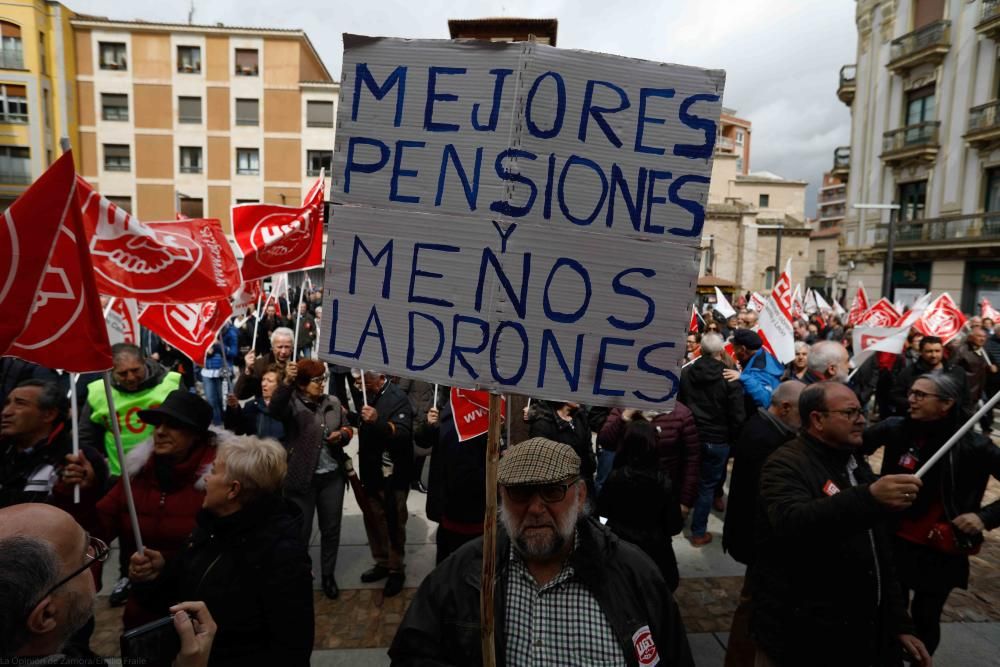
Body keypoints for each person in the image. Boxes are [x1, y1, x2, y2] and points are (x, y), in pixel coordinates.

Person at [389, 437, 694, 666]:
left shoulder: (633, 574)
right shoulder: (463, 574)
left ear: (580, 495)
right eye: (520, 493)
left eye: (552, 491)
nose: (535, 508)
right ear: (501, 498)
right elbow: (412, 654)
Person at [751, 382, 931, 666]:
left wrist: (899, 624)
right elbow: (793, 522)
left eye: (861, 411)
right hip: (805, 636)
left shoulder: (852, 460)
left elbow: (878, 552)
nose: (861, 420)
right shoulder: (786, 463)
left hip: (861, 634)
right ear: (817, 419)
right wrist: (869, 497)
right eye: (849, 413)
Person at [129, 435, 314, 666]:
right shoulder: (209, 528)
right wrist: (155, 575)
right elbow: (176, 595)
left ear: (233, 490)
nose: (206, 479)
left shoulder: (281, 554)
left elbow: (291, 648)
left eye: (214, 471)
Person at [865, 372, 1000, 656]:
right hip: (894, 538)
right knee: (889, 612)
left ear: (946, 403)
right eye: (911, 392)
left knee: (926, 617)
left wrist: (983, 518)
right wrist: (872, 488)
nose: (910, 400)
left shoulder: (974, 445)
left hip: (939, 548)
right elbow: (849, 454)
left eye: (920, 395)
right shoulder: (894, 428)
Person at [70, 390, 216, 622]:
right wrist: (86, 491)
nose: (160, 431)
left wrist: (166, 567)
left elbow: (221, 556)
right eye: (158, 424)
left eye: (174, 425)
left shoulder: (216, 482)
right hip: (142, 610)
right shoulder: (137, 476)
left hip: (199, 612)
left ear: (196, 435)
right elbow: (96, 532)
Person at [721, 380, 804, 667]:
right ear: (784, 408)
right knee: (752, 610)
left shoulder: (763, 426)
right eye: (802, 412)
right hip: (756, 540)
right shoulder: (767, 438)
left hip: (750, 537)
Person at [269, 359, 352, 599]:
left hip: (331, 478)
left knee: (331, 529)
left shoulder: (333, 402)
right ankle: (300, 573)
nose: (322, 384)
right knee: (300, 532)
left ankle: (328, 575)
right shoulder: (292, 403)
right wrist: (286, 382)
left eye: (323, 379)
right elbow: (275, 408)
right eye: (317, 380)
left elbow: (347, 427)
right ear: (304, 383)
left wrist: (343, 435)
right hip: (301, 478)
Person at [598, 418, 684, 590]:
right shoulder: (664, 482)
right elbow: (674, 526)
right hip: (655, 556)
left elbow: (601, 516)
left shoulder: (615, 478)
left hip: (620, 555)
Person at [678, 332, 745, 546]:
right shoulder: (729, 376)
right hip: (717, 440)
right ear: (720, 352)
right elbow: (737, 414)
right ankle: (698, 532)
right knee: (706, 487)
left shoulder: (686, 372)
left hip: (690, 436)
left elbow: (679, 402)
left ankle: (677, 521)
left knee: (685, 478)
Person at [1, 380, 108, 512]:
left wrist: (85, 491)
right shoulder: (5, 451)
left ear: (49, 414)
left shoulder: (79, 460)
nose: (6, 412)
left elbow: (93, 522)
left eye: (20, 404)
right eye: (6, 403)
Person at [79, 343, 183, 478]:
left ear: (144, 362)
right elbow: (86, 437)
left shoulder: (171, 383)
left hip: (167, 472)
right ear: (111, 371)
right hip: (120, 477)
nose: (131, 378)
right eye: (122, 374)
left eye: (135, 370)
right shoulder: (99, 392)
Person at [357, 370, 414, 597]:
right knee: (373, 517)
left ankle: (396, 568)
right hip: (371, 472)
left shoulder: (397, 397)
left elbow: (402, 433)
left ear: (380, 377)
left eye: (365, 379)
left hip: (394, 475)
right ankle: (381, 560)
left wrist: (377, 421)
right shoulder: (367, 395)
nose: (359, 383)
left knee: (394, 520)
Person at [599, 403, 700, 522]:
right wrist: (623, 417)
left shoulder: (681, 414)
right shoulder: (625, 405)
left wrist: (685, 500)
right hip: (625, 491)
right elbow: (606, 442)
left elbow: (692, 459)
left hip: (661, 494)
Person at [527, 400, 597, 495]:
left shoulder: (580, 417)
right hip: (558, 488)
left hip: (583, 484)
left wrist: (590, 465)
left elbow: (588, 449)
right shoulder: (542, 424)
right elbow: (541, 463)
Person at [891, 335, 967, 417]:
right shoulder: (909, 372)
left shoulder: (956, 371)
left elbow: (965, 398)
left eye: (937, 351)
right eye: (929, 351)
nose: (933, 355)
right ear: (921, 352)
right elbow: (896, 396)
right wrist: (917, 404)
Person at [728, 329, 783, 412]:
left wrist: (743, 378)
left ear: (743, 349)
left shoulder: (759, 369)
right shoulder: (760, 354)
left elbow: (765, 400)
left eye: (735, 348)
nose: (734, 352)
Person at [223, 367, 285, 440]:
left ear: (279, 386)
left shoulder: (287, 407)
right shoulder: (251, 406)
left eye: (270, 381)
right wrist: (234, 408)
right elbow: (238, 429)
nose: (264, 384)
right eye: (263, 379)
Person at [235, 327, 294, 400]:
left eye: (287, 347)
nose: (283, 351)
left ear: (292, 347)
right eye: (280, 347)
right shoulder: (261, 364)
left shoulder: (301, 363)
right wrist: (247, 371)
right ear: (272, 347)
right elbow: (240, 394)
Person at [202, 322, 239, 426]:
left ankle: (227, 424)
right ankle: (218, 428)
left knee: (224, 401)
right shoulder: (204, 332)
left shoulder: (231, 332)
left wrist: (219, 344)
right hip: (207, 372)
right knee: (211, 401)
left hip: (223, 372)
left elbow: (233, 353)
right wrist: (205, 351)